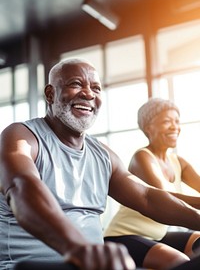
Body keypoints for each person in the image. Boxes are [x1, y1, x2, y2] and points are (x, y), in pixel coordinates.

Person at [1, 60, 200, 270]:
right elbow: (22, 187)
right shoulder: (21, 137)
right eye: (76, 84)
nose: (88, 94)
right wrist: (78, 248)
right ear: (50, 94)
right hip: (34, 265)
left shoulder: (103, 154)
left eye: (96, 88)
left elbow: (147, 197)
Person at [104, 97, 200, 269]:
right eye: (166, 121)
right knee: (182, 263)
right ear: (148, 127)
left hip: (158, 235)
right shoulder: (142, 157)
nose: (174, 127)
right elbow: (165, 199)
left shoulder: (177, 161)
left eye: (177, 121)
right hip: (124, 236)